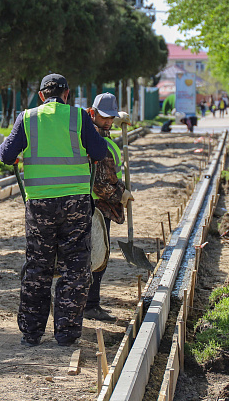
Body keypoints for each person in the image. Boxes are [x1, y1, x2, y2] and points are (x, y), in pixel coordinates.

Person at [0, 73, 107, 347]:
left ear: (41, 96)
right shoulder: (78, 117)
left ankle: (32, 334)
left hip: (39, 206)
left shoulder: (27, 118)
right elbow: (99, 151)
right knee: (75, 267)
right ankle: (66, 334)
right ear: (67, 94)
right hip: (75, 205)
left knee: (38, 267)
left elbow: (6, 155)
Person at [85, 93, 134, 321]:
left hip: (100, 205)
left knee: (96, 254)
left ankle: (89, 304)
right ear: (92, 113)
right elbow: (98, 183)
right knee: (97, 256)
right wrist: (120, 195)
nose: (108, 122)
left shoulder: (99, 133)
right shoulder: (94, 139)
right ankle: (90, 305)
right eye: (104, 117)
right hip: (96, 206)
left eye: (111, 118)